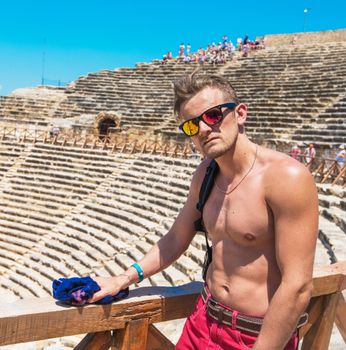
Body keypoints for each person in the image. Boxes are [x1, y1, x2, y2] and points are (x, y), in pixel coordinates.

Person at [90, 72, 318, 349]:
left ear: (241, 113)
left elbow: (298, 285)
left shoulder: (286, 178)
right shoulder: (205, 175)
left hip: (256, 336)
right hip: (202, 321)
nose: (203, 130)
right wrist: (122, 278)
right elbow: (175, 239)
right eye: (191, 126)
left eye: (212, 116)